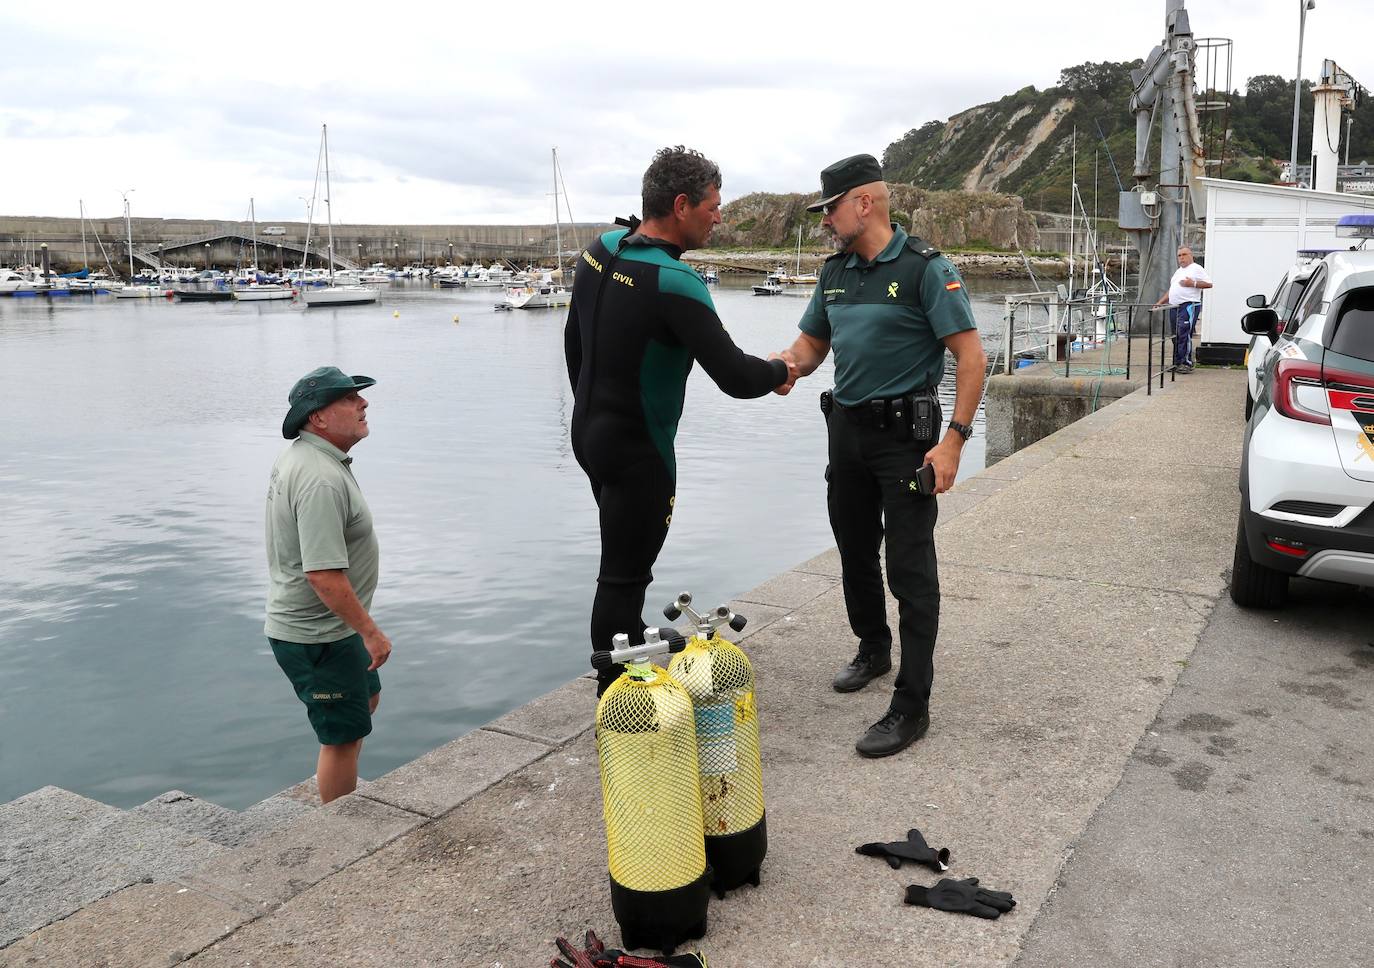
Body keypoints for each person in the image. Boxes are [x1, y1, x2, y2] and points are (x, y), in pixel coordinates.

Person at [775, 153, 986, 758]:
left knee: (911, 568)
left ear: (862, 203)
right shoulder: (834, 273)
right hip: (845, 432)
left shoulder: (925, 269)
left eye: (830, 208)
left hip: (904, 441)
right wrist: (785, 366)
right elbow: (813, 342)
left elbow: (970, 360)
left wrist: (954, 441)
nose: (824, 221)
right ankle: (872, 646)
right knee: (853, 546)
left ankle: (911, 705)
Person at [565, 146, 796, 694]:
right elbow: (737, 378)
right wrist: (780, 368)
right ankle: (619, 706)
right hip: (640, 451)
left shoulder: (601, 249)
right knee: (624, 577)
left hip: (590, 434)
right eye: (714, 206)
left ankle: (625, 679)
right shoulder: (675, 282)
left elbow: (573, 340)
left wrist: (592, 409)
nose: (720, 217)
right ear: (681, 205)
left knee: (619, 565)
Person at [265, 366, 391, 803]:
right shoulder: (319, 477)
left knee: (365, 700)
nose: (363, 403)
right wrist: (370, 632)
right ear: (318, 417)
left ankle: (341, 778)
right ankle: (336, 832)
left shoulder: (312, 459)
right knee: (340, 736)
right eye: (349, 398)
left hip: (333, 630)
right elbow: (321, 574)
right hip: (316, 635)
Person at [1152, 245, 1212, 373]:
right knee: (1175, 335)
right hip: (1174, 306)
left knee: (1184, 334)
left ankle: (1186, 363)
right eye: (1179, 255)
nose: (1181, 258)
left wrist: (1193, 284)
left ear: (1191, 255)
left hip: (1188, 305)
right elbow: (1172, 290)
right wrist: (1160, 302)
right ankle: (1177, 362)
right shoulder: (1178, 272)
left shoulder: (1196, 268)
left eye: (1184, 255)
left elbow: (1209, 283)